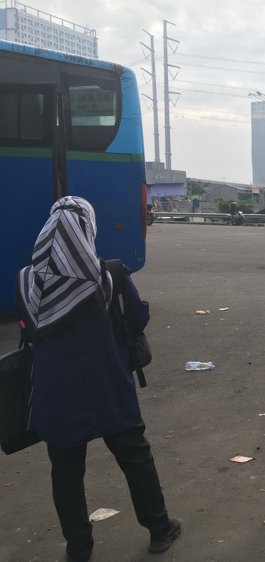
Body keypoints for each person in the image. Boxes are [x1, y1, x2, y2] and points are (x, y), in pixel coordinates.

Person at [15, 196, 180, 562]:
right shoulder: (110, 276)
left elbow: (27, 335)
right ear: (88, 230)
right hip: (107, 387)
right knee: (135, 457)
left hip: (54, 395)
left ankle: (79, 549)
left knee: (66, 472)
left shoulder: (26, 281)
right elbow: (136, 321)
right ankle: (159, 529)